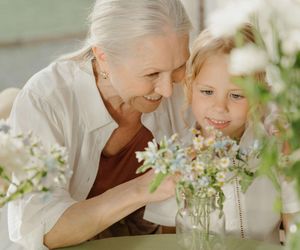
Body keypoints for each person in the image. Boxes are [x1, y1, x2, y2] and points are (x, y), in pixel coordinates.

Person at [2, 1, 195, 249]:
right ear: (103, 57)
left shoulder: (184, 89)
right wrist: (142, 189)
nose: (168, 90)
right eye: (151, 74)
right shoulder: (47, 99)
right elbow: (40, 228)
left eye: (179, 66)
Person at [144, 25, 300, 244]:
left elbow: (294, 222)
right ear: (190, 87)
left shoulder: (277, 149)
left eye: (236, 95)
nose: (219, 107)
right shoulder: (177, 160)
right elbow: (170, 236)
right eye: (207, 92)